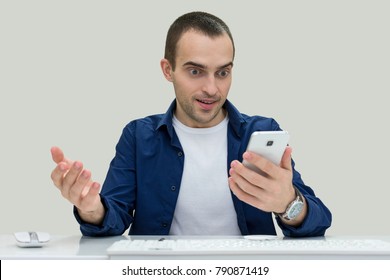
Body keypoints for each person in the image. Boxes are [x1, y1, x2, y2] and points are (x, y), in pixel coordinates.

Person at [50, 11, 332, 237]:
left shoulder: (259, 132)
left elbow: (319, 221)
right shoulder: (139, 136)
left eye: (222, 72)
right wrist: (91, 209)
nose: (212, 88)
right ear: (168, 70)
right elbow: (113, 218)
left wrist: (289, 203)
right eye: (195, 71)